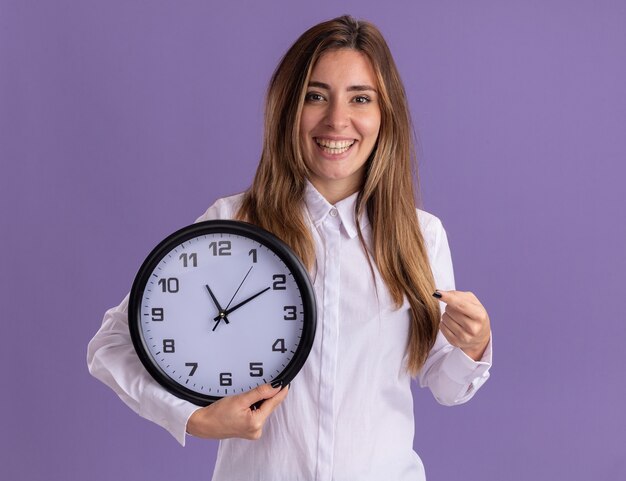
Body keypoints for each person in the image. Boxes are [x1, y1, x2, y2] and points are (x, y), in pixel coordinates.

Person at [87, 15, 492, 481]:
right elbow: (113, 343)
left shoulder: (420, 236)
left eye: (360, 98)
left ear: (386, 115)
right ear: (287, 108)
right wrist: (193, 418)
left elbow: (445, 384)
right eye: (315, 96)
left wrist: (474, 346)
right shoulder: (233, 224)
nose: (337, 120)